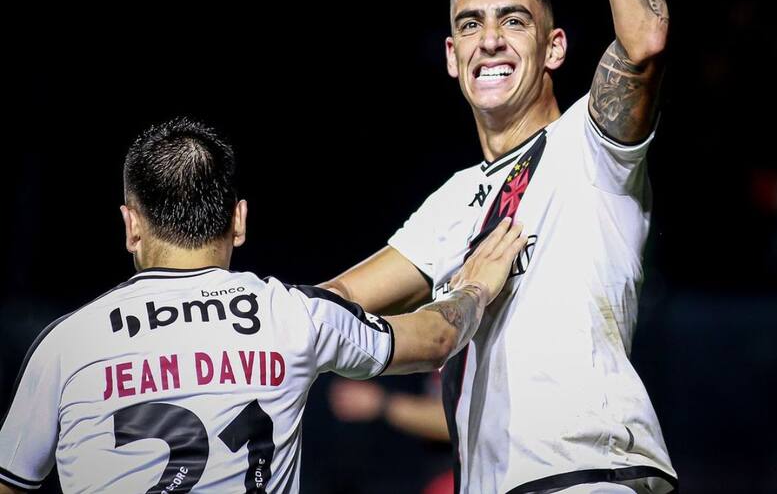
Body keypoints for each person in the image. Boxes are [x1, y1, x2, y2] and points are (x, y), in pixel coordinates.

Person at [0, 117, 526, 493]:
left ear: (131, 226)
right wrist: (476, 286)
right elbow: (435, 337)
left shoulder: (66, 345)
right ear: (240, 220)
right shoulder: (292, 313)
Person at [321, 0, 676, 492]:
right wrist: (222, 314)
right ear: (451, 55)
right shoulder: (451, 201)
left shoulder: (588, 146)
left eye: (513, 22)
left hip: (587, 475)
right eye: (469, 25)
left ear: (554, 48)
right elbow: (339, 297)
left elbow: (644, 41)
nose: (488, 40)